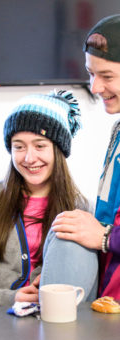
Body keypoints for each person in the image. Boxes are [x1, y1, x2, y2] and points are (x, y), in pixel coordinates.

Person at [0, 90, 89, 308]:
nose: (29, 158)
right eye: (18, 146)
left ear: (58, 150)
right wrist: (7, 299)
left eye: (40, 146)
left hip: (47, 328)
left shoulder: (79, 209)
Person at [41, 14, 120, 300]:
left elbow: (104, 233)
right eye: (91, 73)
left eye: (107, 76)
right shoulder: (118, 130)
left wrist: (104, 237)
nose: (95, 87)